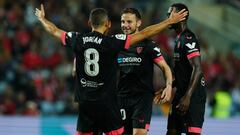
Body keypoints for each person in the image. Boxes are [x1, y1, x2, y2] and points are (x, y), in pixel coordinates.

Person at [35, 4, 187, 135]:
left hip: (86, 103)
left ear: (89, 23)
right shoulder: (112, 42)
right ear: (108, 24)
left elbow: (54, 30)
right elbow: (145, 33)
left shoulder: (78, 39)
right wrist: (169, 21)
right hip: (107, 103)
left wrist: (42, 19)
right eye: (122, 21)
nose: (125, 25)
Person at [117, 8, 172, 135]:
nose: (125, 25)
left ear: (139, 23)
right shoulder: (117, 44)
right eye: (123, 21)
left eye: (129, 22)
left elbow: (165, 67)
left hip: (142, 98)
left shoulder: (148, 45)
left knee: (139, 133)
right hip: (121, 97)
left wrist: (168, 86)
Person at [163, 3, 207, 135]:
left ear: (182, 16)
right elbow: (184, 72)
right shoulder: (178, 39)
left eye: (170, 14)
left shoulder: (188, 38)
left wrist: (187, 97)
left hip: (193, 96)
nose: (167, 17)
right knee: (171, 131)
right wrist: (169, 85)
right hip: (181, 93)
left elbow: (197, 69)